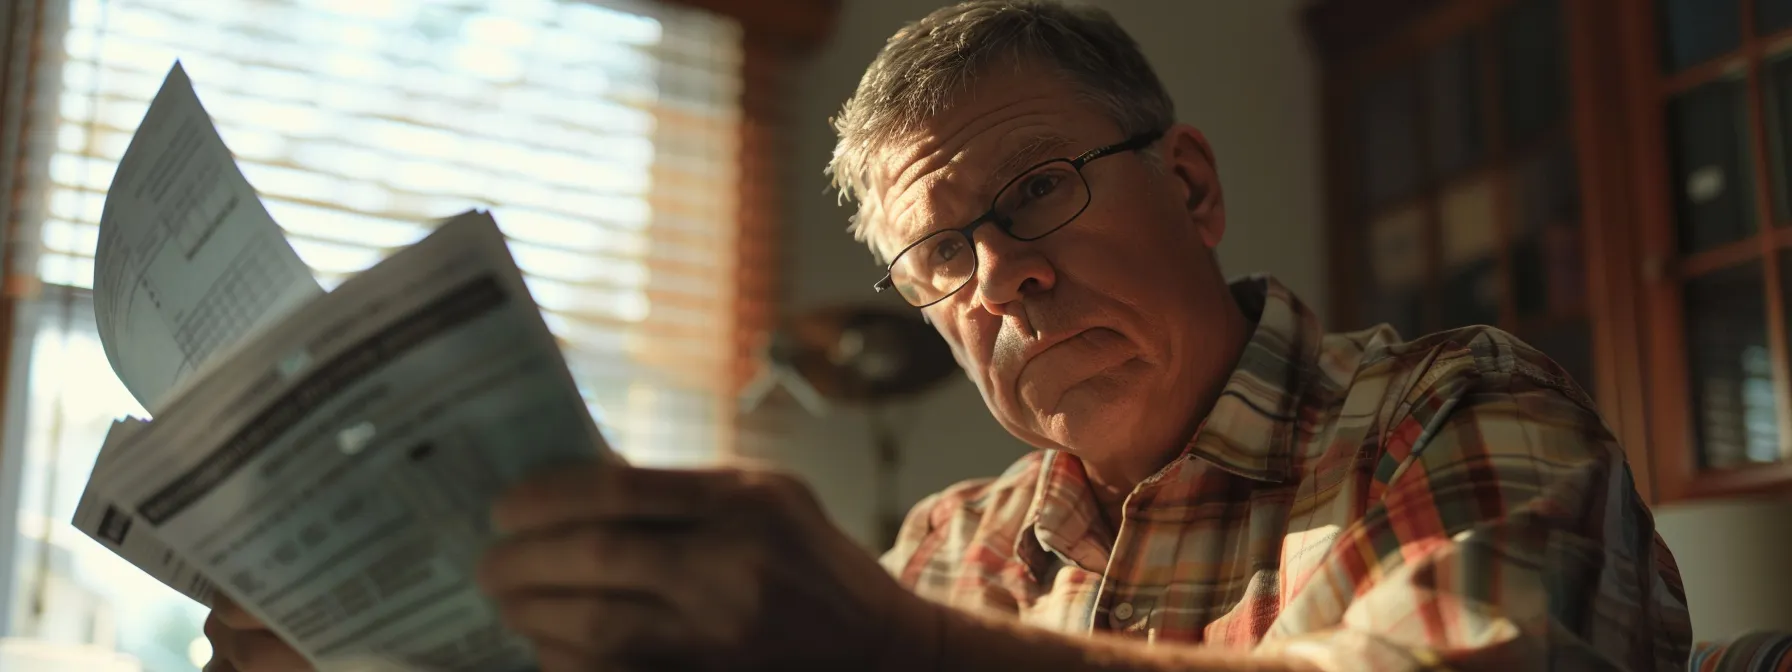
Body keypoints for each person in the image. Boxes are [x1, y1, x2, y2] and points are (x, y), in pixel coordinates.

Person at [200, 1, 1694, 670]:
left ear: (1187, 184)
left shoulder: (1449, 412)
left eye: (1036, 192)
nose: (1004, 279)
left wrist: (894, 653)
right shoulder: (949, 549)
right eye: (940, 253)